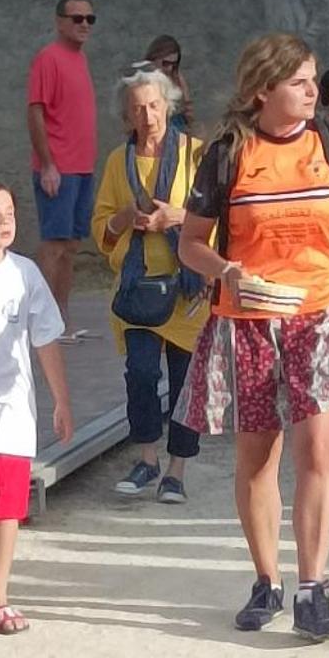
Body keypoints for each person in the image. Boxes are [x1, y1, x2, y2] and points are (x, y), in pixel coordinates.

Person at [176, 35, 329, 642]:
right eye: (300, 82)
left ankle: (314, 590)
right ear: (264, 89)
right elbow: (191, 244)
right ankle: (267, 582)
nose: (314, 92)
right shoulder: (228, 153)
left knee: (319, 453)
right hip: (249, 319)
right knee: (258, 461)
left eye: (313, 81)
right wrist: (227, 269)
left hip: (323, 313)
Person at [92, 66, 208, 502]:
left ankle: (177, 470)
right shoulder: (116, 163)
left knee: (183, 384)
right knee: (140, 374)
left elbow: (218, 220)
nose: (148, 115)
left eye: (154, 105)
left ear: (168, 105)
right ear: (127, 115)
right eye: (138, 108)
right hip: (138, 289)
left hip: (186, 289)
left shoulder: (196, 155)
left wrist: (173, 217)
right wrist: (127, 218)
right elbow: (102, 230)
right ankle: (146, 458)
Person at [0, 182, 73, 633]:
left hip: (11, 413)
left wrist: (62, 400)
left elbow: (45, 339)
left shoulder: (25, 274)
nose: (3, 222)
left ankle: (0, 596)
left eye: (8, 213)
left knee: (7, 507)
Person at [27, 0, 99, 334]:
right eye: (77, 18)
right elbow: (36, 110)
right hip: (59, 169)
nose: (84, 24)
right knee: (54, 246)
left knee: (70, 246)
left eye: (89, 19)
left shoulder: (80, 59)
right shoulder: (48, 58)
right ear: (60, 22)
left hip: (82, 167)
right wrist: (48, 165)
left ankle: (61, 319)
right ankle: (41, 320)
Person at [142, 35, 193, 132]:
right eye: (166, 63)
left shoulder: (176, 77)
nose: (170, 68)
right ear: (154, 58)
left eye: (174, 65)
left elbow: (189, 112)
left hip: (176, 126)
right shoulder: (142, 80)